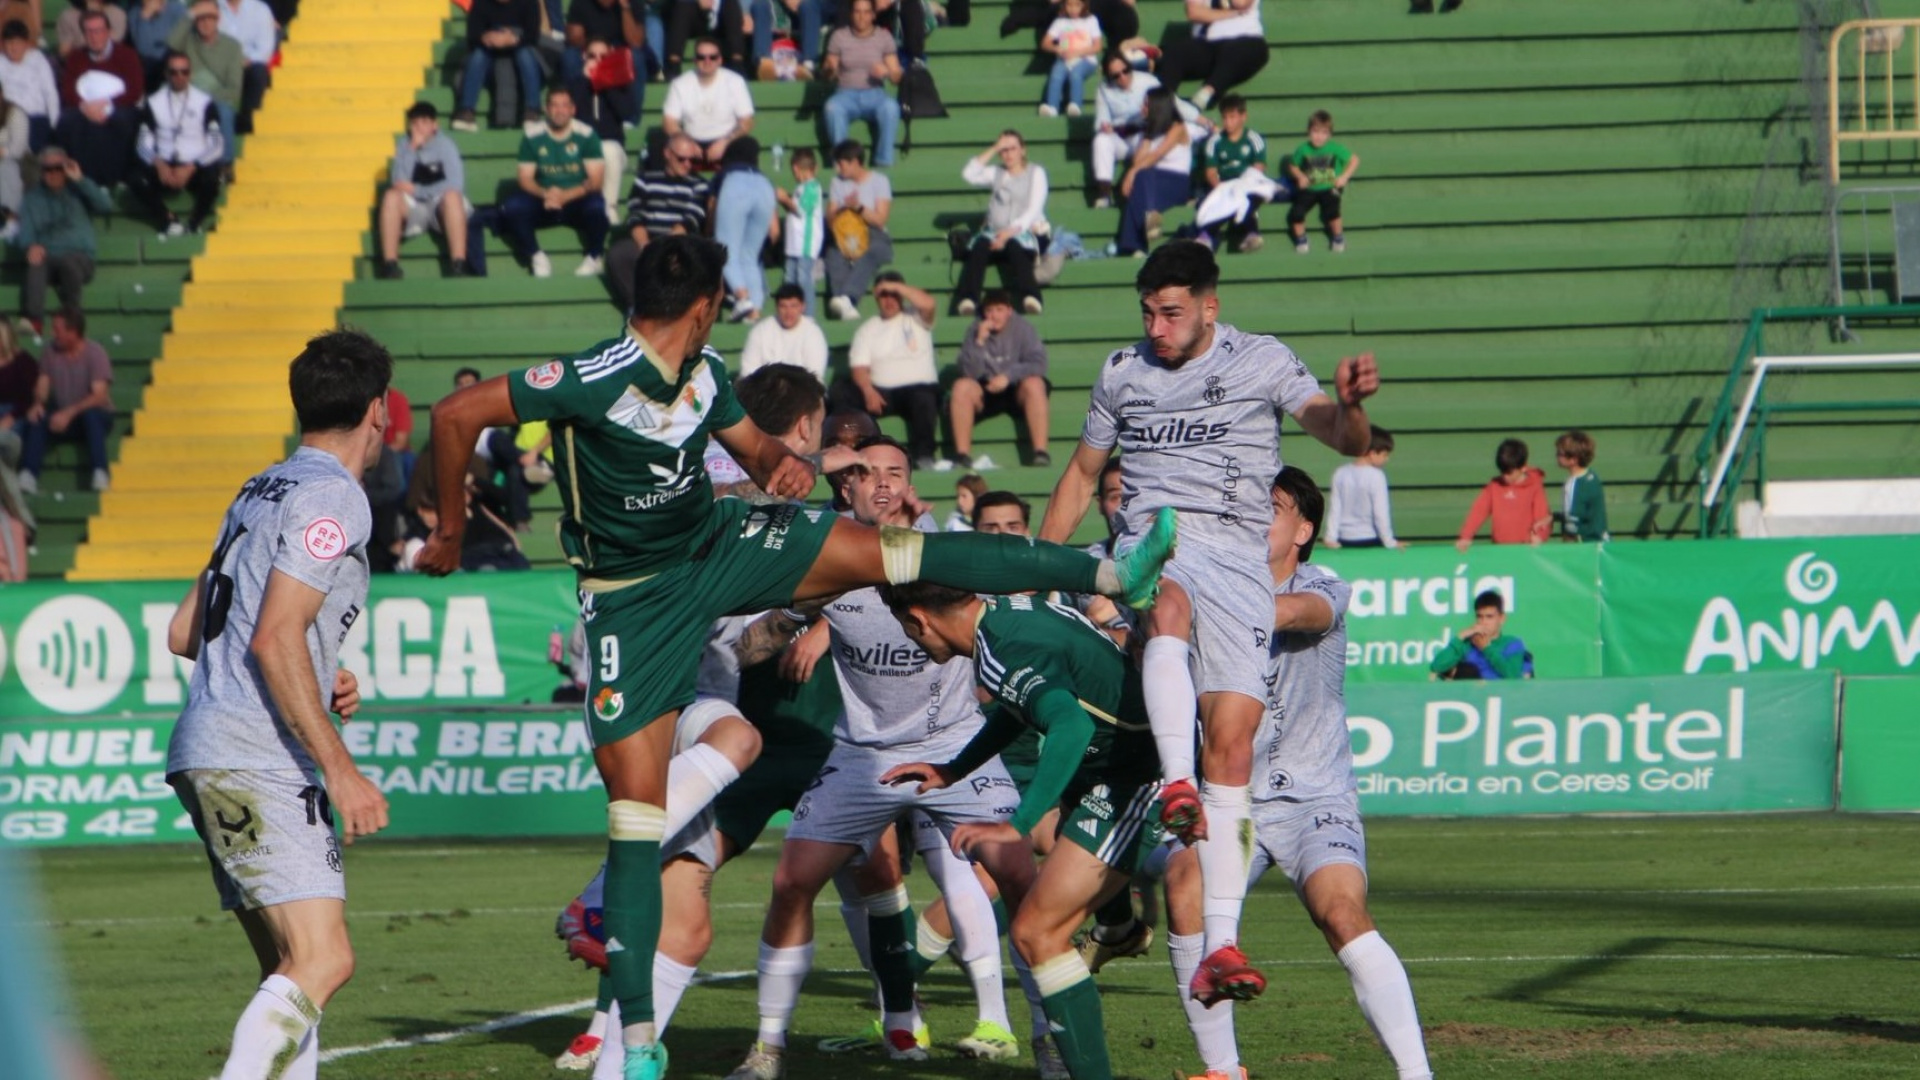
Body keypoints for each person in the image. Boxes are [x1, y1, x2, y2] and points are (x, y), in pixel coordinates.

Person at [414, 234, 1177, 1080]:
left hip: (718, 546)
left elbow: (757, 451)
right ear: (704, 306)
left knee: (902, 553)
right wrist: (448, 529)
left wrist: (782, 464)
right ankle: (636, 1042)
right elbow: (454, 414)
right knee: (635, 820)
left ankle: (1111, 573)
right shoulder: (591, 376)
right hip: (632, 599)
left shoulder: (705, 374)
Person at [1038, 240, 1378, 1009]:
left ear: (1209, 307)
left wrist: (1353, 406)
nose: (1156, 328)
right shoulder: (1121, 373)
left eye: (1171, 313)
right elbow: (1083, 475)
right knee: (1164, 599)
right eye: (1147, 313)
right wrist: (1037, 569)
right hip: (1157, 544)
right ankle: (1175, 781)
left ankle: (1220, 944)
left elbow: (1342, 437)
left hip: (1239, 568)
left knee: (1232, 748)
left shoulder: (1261, 360)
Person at [721, 437, 1038, 1079]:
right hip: (864, 756)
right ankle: (768, 1048)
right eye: (869, 474)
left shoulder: (947, 554)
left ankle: (1042, 1038)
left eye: (897, 471)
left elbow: (1021, 595)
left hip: (957, 749)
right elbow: (747, 647)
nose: (885, 483)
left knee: (1022, 883)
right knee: (791, 882)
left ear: (911, 485)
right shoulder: (827, 562)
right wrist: (798, 617)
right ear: (849, 488)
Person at [159, 329, 391, 1080]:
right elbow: (273, 636)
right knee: (324, 959)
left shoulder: (260, 487)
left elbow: (187, 630)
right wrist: (342, 770)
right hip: (257, 753)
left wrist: (318, 673)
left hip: (209, 743)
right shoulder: (335, 497)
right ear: (380, 410)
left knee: (291, 970)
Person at [1167, 466, 1432, 1080]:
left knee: (1341, 913)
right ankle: (1223, 1070)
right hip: (1232, 798)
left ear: (1304, 530)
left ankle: (1418, 1075)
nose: (1255, 516)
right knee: (1182, 886)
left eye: (1274, 507)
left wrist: (1200, 598)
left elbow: (1296, 612)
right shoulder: (1205, 587)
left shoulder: (1323, 586)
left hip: (1316, 799)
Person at [876, 580, 1183, 1080]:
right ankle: (1118, 930)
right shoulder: (1008, 614)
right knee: (1045, 919)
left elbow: (1071, 726)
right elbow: (1025, 704)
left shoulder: (999, 648)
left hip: (1135, 777)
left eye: (906, 630)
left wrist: (1017, 827)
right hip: (1112, 769)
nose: (913, 642)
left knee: (1037, 933)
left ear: (918, 619)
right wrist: (954, 769)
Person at [831, 270, 942, 471]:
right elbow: (859, 367)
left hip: (917, 389)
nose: (889, 300)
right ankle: (851, 453)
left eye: (894, 295)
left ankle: (925, 456)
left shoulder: (916, 318)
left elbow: (928, 304)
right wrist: (868, 390)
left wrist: (893, 286)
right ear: (876, 297)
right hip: (881, 392)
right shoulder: (868, 329)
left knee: (924, 397)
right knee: (841, 391)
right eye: (884, 295)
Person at [500, 86, 608, 278]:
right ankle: (536, 256)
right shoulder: (533, 135)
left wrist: (566, 195)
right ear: (546, 109)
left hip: (576, 199)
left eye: (565, 106)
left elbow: (596, 180)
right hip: (545, 199)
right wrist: (545, 194)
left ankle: (594, 256)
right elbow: (525, 178)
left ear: (573, 109)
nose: (560, 111)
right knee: (513, 206)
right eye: (555, 105)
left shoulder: (586, 134)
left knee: (597, 206)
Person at [606, 132, 709, 311]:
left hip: (678, 243)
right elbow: (635, 214)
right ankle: (638, 307)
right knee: (618, 254)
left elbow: (691, 220)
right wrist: (644, 244)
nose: (687, 164)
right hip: (647, 240)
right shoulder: (645, 180)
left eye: (692, 160)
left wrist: (662, 248)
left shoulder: (699, 184)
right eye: (682, 159)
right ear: (667, 154)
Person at [953, 131, 1049, 318]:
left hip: (1026, 233)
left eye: (1013, 148)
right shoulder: (996, 172)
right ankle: (968, 299)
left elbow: (1033, 209)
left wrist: (1008, 233)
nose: (1008, 154)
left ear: (1022, 150)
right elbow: (969, 174)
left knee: (1015, 246)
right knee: (980, 245)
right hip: (995, 233)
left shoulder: (1036, 173)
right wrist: (994, 147)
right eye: (1004, 150)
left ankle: (1032, 296)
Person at [950, 290, 1049, 471]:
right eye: (989, 310)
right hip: (985, 388)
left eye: (999, 310)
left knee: (1035, 384)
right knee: (961, 387)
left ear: (1009, 310)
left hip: (1016, 387)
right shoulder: (975, 329)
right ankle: (962, 455)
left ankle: (1040, 452)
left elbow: (1038, 362)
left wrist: (1009, 376)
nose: (994, 316)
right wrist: (979, 342)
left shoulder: (1023, 328)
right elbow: (968, 372)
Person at [14, 147, 109, 334]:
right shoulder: (32, 199)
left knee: (69, 263)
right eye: (48, 169)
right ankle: (34, 320)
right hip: (48, 256)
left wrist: (80, 180)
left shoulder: (79, 190)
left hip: (79, 257)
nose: (53, 173)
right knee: (36, 263)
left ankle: (72, 319)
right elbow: (26, 231)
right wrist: (30, 246)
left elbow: (105, 205)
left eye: (58, 168)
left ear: (66, 168)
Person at [376, 101, 473, 279]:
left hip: (441, 207)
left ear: (435, 125)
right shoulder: (404, 145)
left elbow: (455, 183)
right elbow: (398, 182)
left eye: (424, 122)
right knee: (390, 197)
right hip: (415, 209)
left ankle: (459, 263)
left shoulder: (446, 146)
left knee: (452, 196)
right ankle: (390, 264)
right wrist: (412, 149)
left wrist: (416, 190)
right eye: (415, 123)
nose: (419, 127)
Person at [1089, 52, 1199, 209]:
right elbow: (1101, 120)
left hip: (1144, 132)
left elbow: (1171, 102)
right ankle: (1104, 194)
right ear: (1109, 76)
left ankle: (1159, 192)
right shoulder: (1104, 89)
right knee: (1101, 140)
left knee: (1172, 137)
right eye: (1116, 75)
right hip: (1122, 135)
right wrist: (1105, 127)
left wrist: (1202, 120)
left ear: (1130, 67)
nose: (1122, 77)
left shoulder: (1147, 80)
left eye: (1125, 71)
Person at [17, 306, 109, 493]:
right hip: (63, 416)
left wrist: (69, 413)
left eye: (57, 330)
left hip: (90, 415)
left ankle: (100, 471)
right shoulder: (50, 352)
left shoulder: (95, 353)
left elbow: (99, 396)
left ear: (72, 332)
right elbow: (43, 384)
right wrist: (38, 404)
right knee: (38, 418)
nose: (52, 334)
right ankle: (28, 474)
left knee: (92, 415)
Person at [133, 50, 224, 235]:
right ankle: (168, 219)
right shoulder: (153, 102)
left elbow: (216, 144)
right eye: (174, 72)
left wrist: (192, 167)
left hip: (194, 164)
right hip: (164, 163)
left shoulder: (205, 102)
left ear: (191, 73)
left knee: (213, 178)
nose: (179, 77)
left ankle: (194, 223)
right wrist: (158, 164)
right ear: (166, 74)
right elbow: (142, 142)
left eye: (184, 72)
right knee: (135, 178)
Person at [55, 9, 145, 187]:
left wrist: (106, 104)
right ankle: (81, 178)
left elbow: (135, 90)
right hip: (85, 106)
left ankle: (117, 178)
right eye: (89, 31)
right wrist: (85, 107)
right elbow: (68, 90)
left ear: (108, 32)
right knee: (69, 121)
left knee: (120, 121)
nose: (94, 36)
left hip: (118, 105)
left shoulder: (127, 55)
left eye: (98, 31)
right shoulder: (76, 57)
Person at [822, 0, 902, 168]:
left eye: (866, 12)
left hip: (875, 94)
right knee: (833, 108)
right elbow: (829, 72)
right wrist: (830, 70)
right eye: (857, 12)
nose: (861, 17)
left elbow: (897, 77)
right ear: (851, 14)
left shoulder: (883, 37)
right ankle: (842, 162)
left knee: (891, 108)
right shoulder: (839, 36)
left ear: (873, 15)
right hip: (846, 93)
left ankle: (883, 161)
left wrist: (887, 73)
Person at [1113, 87, 1192, 257]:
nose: (1142, 108)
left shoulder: (1178, 128)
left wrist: (1131, 173)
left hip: (1175, 182)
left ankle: (1133, 243)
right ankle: (1144, 229)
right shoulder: (1149, 132)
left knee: (1142, 175)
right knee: (1142, 177)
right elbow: (1138, 161)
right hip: (1150, 182)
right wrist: (1148, 136)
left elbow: (1157, 155)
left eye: (1146, 105)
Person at [569, 38, 640, 224]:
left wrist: (605, 82)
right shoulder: (575, 84)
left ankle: (609, 208)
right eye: (592, 56)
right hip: (581, 150)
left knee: (608, 148)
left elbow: (626, 113)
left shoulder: (620, 86)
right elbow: (570, 113)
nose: (597, 60)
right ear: (584, 57)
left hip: (612, 150)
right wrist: (585, 81)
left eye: (603, 57)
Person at [822, 139, 892, 321]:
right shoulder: (837, 182)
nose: (838, 168)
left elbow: (880, 220)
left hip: (873, 233)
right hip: (845, 231)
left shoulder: (879, 181)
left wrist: (858, 207)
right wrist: (842, 208)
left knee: (873, 252)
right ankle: (845, 305)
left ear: (854, 162)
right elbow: (829, 218)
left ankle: (847, 298)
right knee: (834, 254)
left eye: (841, 164)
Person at [710, 136, 777, 321]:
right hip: (765, 188)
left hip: (735, 186)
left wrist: (709, 229)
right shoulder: (762, 175)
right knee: (750, 258)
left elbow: (712, 204)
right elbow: (774, 229)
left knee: (725, 252)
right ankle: (755, 311)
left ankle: (742, 297)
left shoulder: (726, 172)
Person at [1156, 0, 1266, 113]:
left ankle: (1206, 94)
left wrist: (1212, 13)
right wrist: (1232, 13)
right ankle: (1162, 108)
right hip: (1208, 42)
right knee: (1175, 52)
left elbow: (1241, 3)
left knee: (1235, 51)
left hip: (1245, 40)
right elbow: (1194, 13)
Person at [168, 0, 242, 164]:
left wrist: (206, 98)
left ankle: (226, 164)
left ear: (218, 20)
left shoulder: (232, 47)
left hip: (218, 97)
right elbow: (172, 43)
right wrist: (191, 13)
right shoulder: (188, 41)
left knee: (223, 111)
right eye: (201, 18)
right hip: (188, 95)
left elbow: (234, 89)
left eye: (210, 18)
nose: (206, 23)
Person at [661, 36, 754, 166]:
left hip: (726, 141)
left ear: (720, 60)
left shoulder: (735, 81)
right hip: (691, 142)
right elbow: (669, 122)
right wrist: (687, 143)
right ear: (695, 60)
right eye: (701, 57)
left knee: (748, 145)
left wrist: (725, 142)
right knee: (661, 143)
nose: (707, 61)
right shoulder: (679, 84)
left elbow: (747, 121)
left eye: (713, 57)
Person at [452, 0, 544, 131]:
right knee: (478, 55)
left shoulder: (529, 3)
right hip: (489, 59)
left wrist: (513, 40)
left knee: (525, 54)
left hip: (520, 57)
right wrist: (487, 38)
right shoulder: (481, 3)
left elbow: (533, 36)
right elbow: (472, 37)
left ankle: (532, 111)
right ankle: (466, 111)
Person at [1197, 93, 1268, 252]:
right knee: (1216, 200)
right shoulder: (1215, 141)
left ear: (1243, 117)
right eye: (1225, 118)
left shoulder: (1253, 139)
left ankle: (1251, 234)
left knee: (1246, 199)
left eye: (1232, 117)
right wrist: (1221, 187)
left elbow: (1259, 167)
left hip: (1247, 183)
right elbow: (1211, 172)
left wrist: (1242, 186)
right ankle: (1206, 237)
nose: (1228, 122)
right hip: (1224, 184)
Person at [1454, 437, 1548, 549]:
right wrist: (1466, 536)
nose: (1504, 476)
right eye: (1502, 471)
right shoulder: (1494, 486)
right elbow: (1478, 511)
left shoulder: (1534, 487)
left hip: (1526, 548)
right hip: (1499, 548)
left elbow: (1541, 517)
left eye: (1509, 472)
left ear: (1523, 467)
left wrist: (1538, 536)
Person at [1285, 110, 1358, 254]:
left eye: (1324, 133)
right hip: (1310, 187)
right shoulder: (1303, 149)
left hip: (1330, 186)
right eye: (1315, 132)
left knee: (1332, 210)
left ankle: (1338, 237)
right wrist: (1300, 176)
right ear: (1308, 131)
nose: (1319, 137)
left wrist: (1344, 177)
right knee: (1296, 213)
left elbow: (1354, 160)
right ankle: (1301, 239)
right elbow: (1293, 165)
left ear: (1330, 135)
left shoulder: (1335, 148)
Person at [564, 0, 649, 118]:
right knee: (570, 56)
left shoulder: (633, 3)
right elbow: (574, 39)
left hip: (619, 51)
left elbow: (635, 42)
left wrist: (625, 8)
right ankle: (571, 111)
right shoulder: (581, 3)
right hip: (590, 47)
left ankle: (631, 117)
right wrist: (594, 49)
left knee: (636, 57)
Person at [1429, 588, 1532, 681]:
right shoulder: (1468, 645)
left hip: (1502, 694)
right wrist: (1461, 636)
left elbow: (1513, 677)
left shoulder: (1512, 643)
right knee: (1466, 670)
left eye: (1489, 617)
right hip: (1471, 694)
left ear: (1502, 618)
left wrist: (1486, 648)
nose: (1483, 622)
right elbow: (1436, 667)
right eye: (1479, 617)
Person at [0, 320, 37, 574]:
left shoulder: (23, 362)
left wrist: (10, 418)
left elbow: (27, 399)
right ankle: (24, 518)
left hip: (14, 423)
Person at [1323, 426, 1397, 549]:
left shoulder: (1340, 473)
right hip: (1370, 539)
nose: (1386, 459)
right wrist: (1389, 542)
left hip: (1344, 539)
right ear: (1373, 453)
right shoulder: (1377, 476)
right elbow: (1380, 513)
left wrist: (1330, 537)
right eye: (1385, 455)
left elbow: (1335, 508)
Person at [739, 282, 827, 379]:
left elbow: (814, 377)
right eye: (783, 306)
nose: (789, 312)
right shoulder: (760, 332)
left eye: (794, 306)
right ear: (776, 307)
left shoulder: (813, 334)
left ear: (803, 307)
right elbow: (748, 372)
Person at [775, 146, 823, 316]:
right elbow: (793, 210)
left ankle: (808, 314)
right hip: (794, 244)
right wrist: (785, 201)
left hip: (806, 243)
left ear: (796, 168)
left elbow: (801, 210)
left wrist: (784, 198)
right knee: (789, 278)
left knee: (804, 278)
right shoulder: (800, 188)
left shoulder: (812, 187)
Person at [215, 0, 274, 132]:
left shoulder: (260, 10)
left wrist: (247, 60)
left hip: (248, 64)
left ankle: (247, 120)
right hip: (220, 64)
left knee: (258, 72)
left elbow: (265, 49)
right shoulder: (213, 7)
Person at [0, 21, 58, 152]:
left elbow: (50, 93)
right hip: (10, 120)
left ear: (26, 44)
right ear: (3, 44)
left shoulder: (38, 59)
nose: (13, 47)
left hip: (36, 118)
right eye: (9, 43)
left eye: (18, 43)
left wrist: (54, 124)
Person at [1038, 0, 1101, 118]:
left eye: (1077, 5)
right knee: (1056, 74)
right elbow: (1045, 43)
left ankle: (1075, 105)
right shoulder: (1060, 22)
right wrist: (1056, 48)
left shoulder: (1091, 20)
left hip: (1086, 60)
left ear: (1084, 5)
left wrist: (1078, 53)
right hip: (1065, 58)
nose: (1073, 9)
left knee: (1075, 73)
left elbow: (1097, 46)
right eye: (1069, 5)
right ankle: (1052, 107)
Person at [1555, 429, 1608, 542]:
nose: (1556, 456)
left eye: (1560, 453)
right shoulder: (1591, 477)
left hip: (1586, 543)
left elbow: (1573, 518)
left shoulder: (1578, 484)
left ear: (1573, 459)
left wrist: (1570, 539)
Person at [127, 0, 185, 87]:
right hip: (148, 67)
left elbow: (181, 41)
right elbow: (143, 48)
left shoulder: (176, 8)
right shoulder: (134, 13)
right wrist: (145, 16)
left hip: (173, 61)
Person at [55, 0, 127, 57]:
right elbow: (64, 51)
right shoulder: (68, 16)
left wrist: (95, 12)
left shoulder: (117, 14)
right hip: (79, 62)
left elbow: (109, 46)